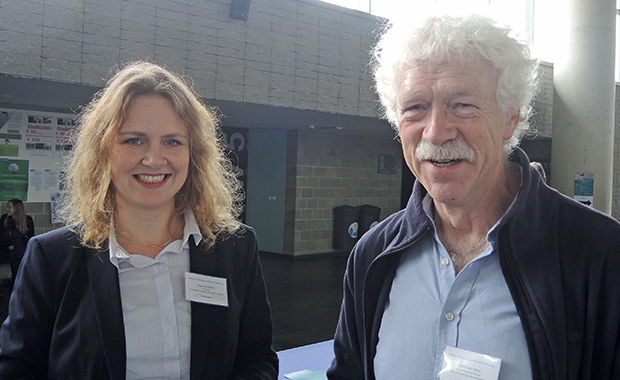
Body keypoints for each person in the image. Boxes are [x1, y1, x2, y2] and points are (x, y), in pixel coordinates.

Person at [327, 11, 620, 380]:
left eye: (462, 105)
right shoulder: (373, 255)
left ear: (510, 118)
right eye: (415, 107)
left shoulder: (598, 254)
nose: (435, 132)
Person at [0, 61, 278, 379]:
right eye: (134, 140)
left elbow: (257, 358)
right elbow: (17, 368)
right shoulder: (51, 257)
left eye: (172, 141)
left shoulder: (235, 246)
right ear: (103, 151)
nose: (154, 159)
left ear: (194, 154)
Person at [0, 199, 35, 282]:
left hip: (21, 249)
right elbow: (1, 236)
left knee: (17, 237)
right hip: (8, 249)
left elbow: (30, 238)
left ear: (17, 208)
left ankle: (18, 283)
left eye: (9, 207)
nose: (7, 209)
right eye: (7, 206)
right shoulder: (5, 219)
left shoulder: (27, 220)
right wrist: (9, 245)